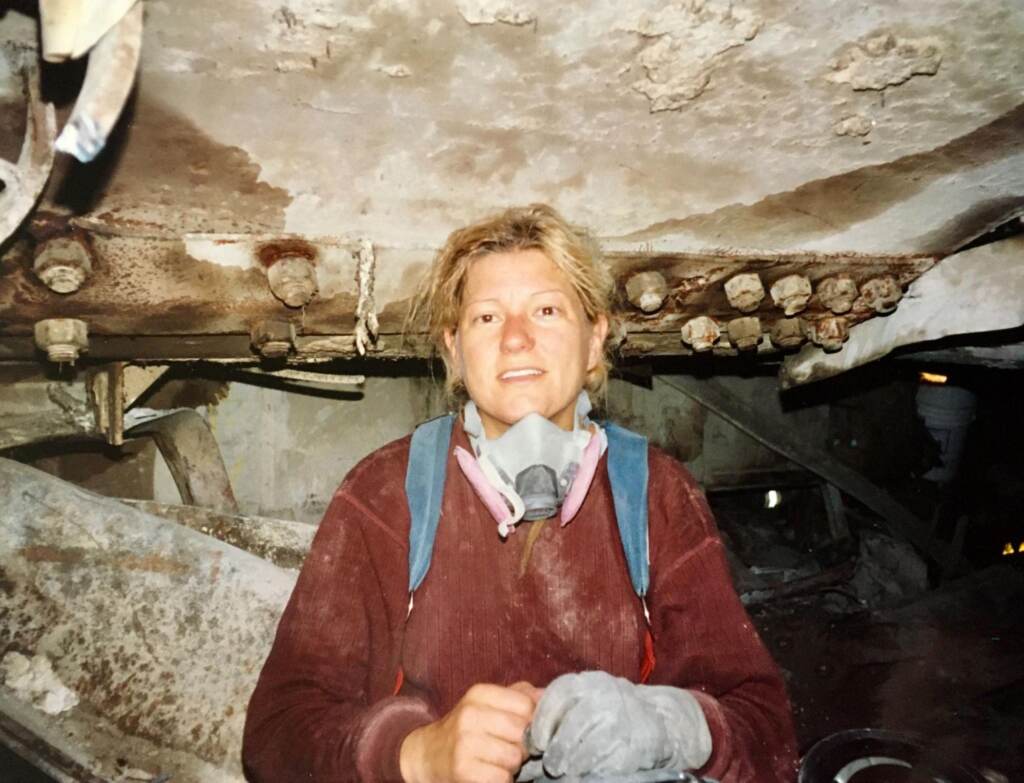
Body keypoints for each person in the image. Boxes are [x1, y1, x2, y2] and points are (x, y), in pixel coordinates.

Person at [242, 204, 798, 783]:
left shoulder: (657, 493)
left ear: (593, 342)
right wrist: (414, 754)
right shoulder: (387, 493)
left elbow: (767, 729)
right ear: (454, 351)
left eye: (547, 310)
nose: (515, 339)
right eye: (486, 318)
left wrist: (672, 726)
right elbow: (277, 733)